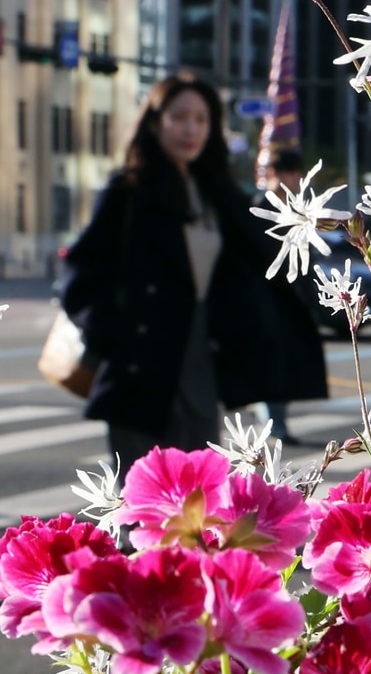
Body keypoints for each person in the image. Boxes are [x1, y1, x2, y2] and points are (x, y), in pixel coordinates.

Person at [61, 73, 327, 473]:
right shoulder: (127, 192)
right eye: (180, 116)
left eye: (202, 119)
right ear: (154, 123)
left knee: (200, 510)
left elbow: (252, 266)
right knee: (146, 513)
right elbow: (80, 276)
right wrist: (116, 334)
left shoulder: (216, 194)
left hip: (200, 363)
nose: (191, 129)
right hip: (141, 367)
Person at [251, 147, 323, 445]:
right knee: (269, 365)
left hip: (291, 300)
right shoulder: (256, 208)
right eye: (287, 173)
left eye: (295, 173)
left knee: (286, 365)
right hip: (261, 301)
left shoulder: (299, 211)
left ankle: (274, 420)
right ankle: (273, 423)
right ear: (272, 174)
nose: (292, 179)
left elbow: (307, 256)